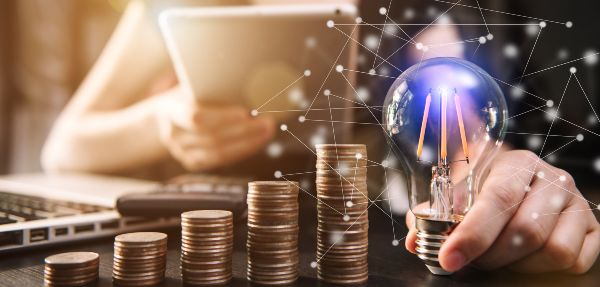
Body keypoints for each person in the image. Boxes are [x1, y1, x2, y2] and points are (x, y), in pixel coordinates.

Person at [42, 0, 599, 275]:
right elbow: (64, 146)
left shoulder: (416, 19)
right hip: (197, 249)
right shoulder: (171, 8)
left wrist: (510, 185)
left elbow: (465, 137)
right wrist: (161, 120)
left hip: (344, 256)